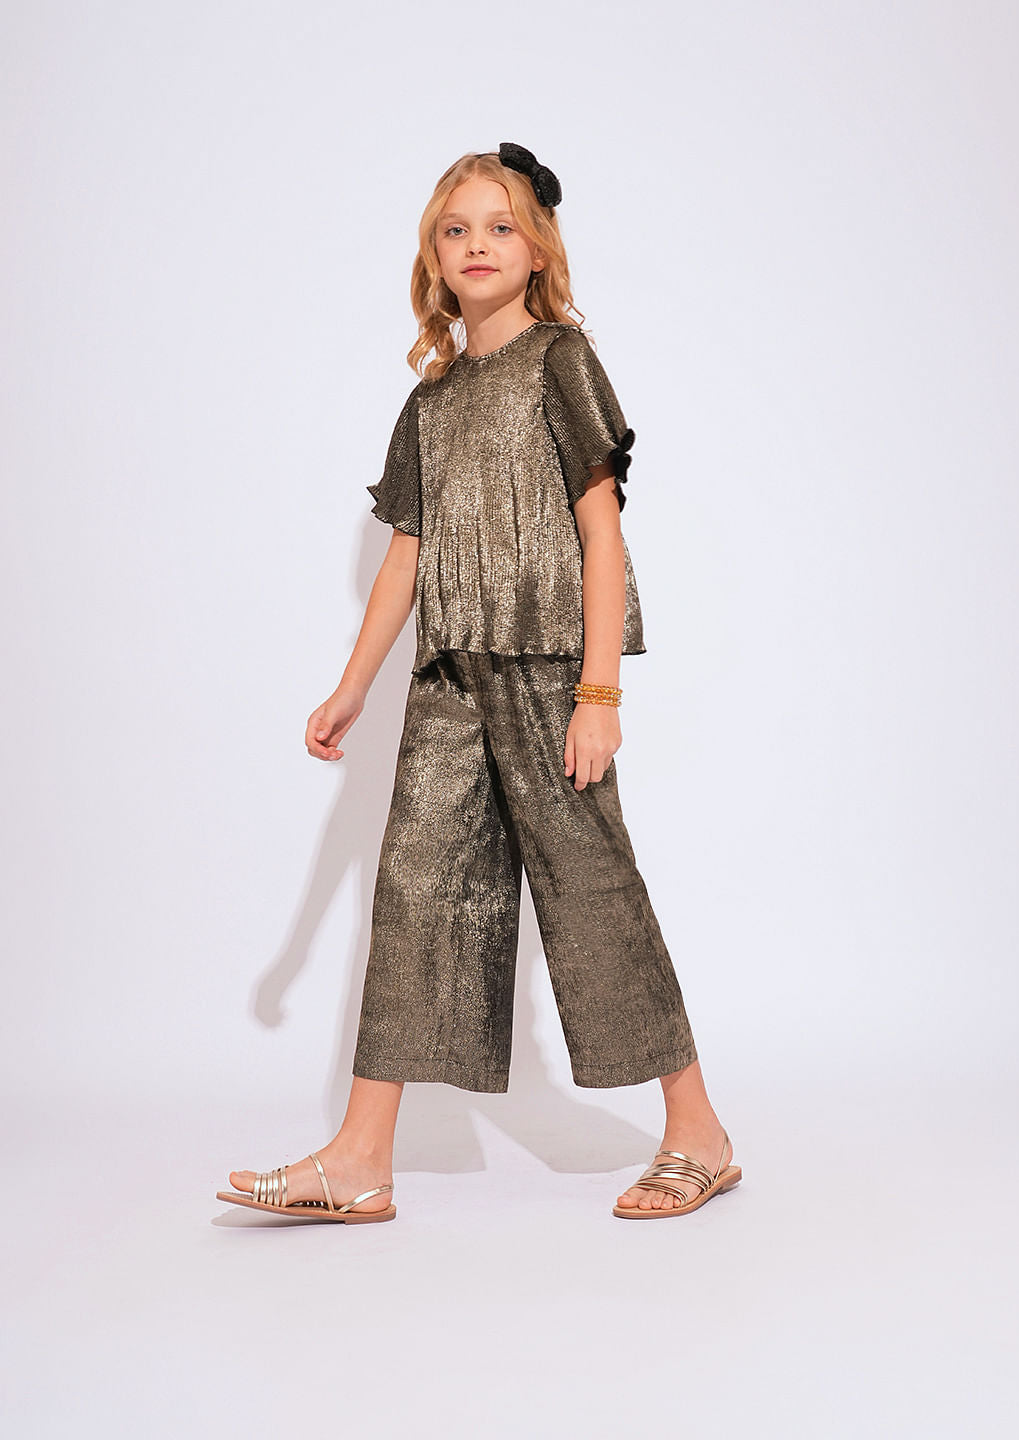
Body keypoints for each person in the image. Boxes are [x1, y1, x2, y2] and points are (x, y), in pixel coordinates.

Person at [216, 142, 742, 1225]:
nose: (477, 245)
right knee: (413, 892)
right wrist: (353, 687)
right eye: (456, 230)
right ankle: (360, 1159)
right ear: (434, 257)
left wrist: (600, 695)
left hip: (550, 673)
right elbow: (405, 556)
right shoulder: (432, 401)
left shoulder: (561, 361)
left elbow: (602, 532)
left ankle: (700, 1133)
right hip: (449, 678)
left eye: (500, 226)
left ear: (537, 247)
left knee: (591, 892)